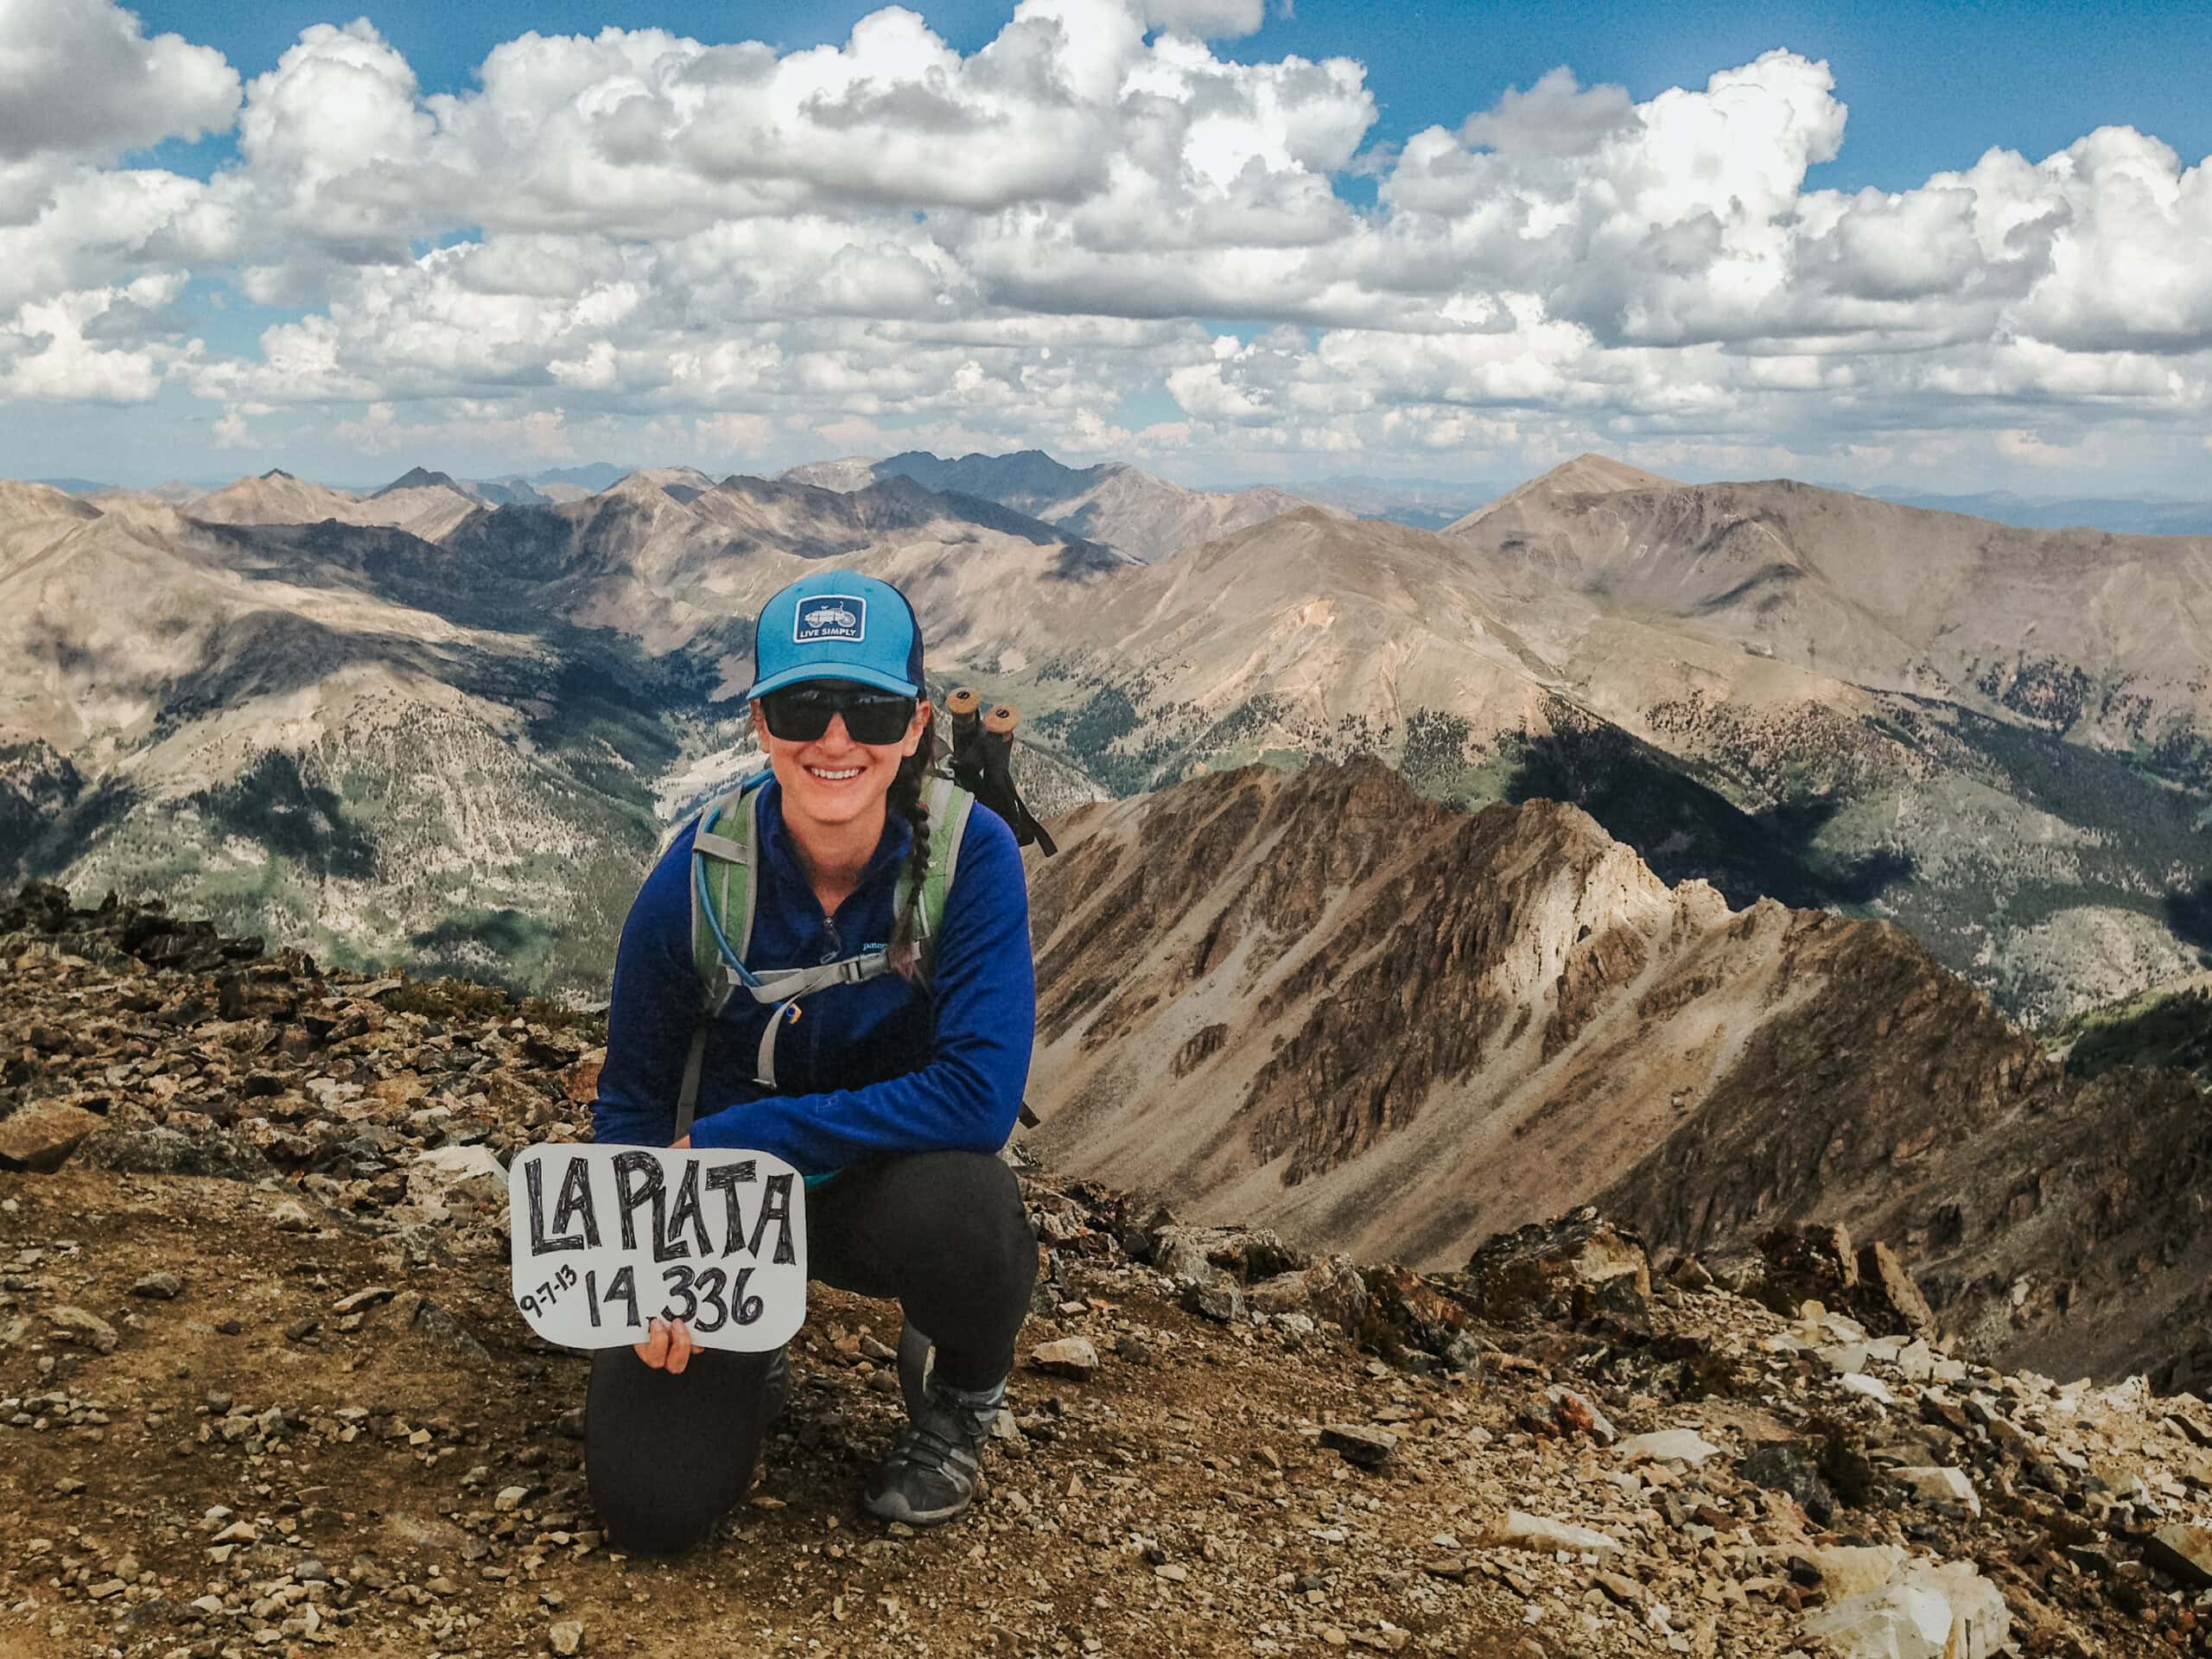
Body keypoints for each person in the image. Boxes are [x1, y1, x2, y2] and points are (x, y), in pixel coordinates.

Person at [585, 569, 1039, 1552]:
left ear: (915, 727)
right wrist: (646, 1265)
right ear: (760, 722)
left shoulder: (971, 857)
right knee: (651, 1506)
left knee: (968, 1218)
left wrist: (746, 1135)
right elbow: (630, 1098)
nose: (836, 739)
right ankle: (751, 1338)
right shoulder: (699, 874)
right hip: (723, 1205)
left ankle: (962, 1388)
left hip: (877, 1186)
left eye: (869, 709)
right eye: (802, 705)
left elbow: (978, 1099)